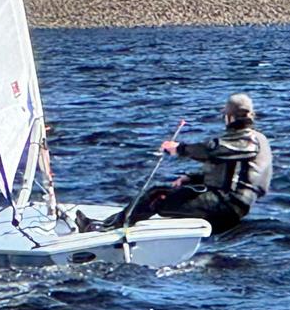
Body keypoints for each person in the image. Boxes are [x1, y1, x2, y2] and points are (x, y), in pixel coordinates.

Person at [75, 93, 272, 234]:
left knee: (156, 195)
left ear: (228, 117)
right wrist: (192, 178)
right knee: (169, 192)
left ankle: (103, 230)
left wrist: (178, 149)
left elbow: (212, 150)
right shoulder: (254, 139)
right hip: (230, 204)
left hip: (226, 206)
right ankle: (110, 223)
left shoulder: (248, 140)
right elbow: (230, 170)